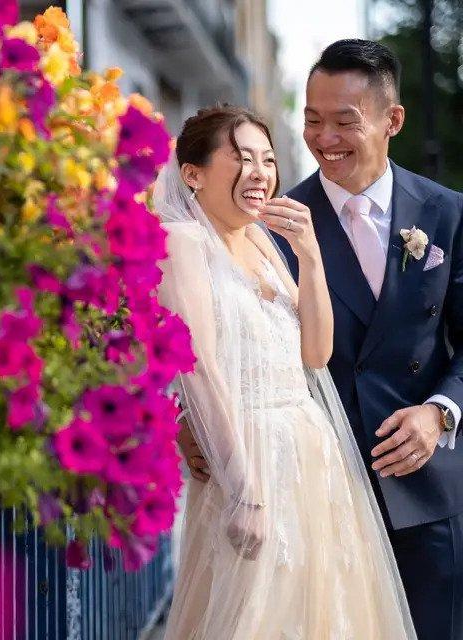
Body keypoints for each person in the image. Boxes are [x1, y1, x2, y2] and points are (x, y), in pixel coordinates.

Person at [178, 39, 463, 640]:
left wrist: (440, 414)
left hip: (423, 487)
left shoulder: (447, 214)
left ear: (393, 121)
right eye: (311, 119)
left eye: (344, 122)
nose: (323, 137)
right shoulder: (260, 221)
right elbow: (199, 341)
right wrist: (190, 424)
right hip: (306, 489)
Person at [158, 105, 416, 639]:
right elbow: (198, 368)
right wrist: (242, 488)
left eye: (268, 160)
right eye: (242, 158)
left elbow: (316, 353)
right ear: (193, 173)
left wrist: (311, 255)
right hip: (248, 457)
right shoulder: (182, 242)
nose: (260, 173)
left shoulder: (260, 240)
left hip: (311, 455)